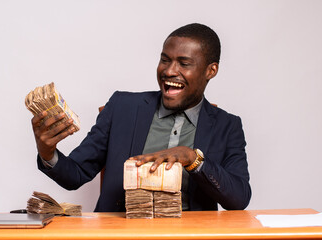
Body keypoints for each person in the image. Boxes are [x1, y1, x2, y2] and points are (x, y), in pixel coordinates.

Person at [31, 23, 251, 212]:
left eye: (184, 63)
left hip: (187, 233)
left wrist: (193, 159)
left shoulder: (227, 126)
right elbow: (75, 174)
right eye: (165, 60)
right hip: (121, 232)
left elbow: (238, 198)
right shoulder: (122, 107)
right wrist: (47, 152)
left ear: (210, 71)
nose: (169, 71)